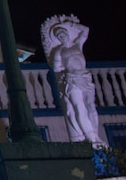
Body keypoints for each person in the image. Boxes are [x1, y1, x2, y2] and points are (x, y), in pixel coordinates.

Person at [41, 15, 101, 143]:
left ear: (67, 34)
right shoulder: (59, 52)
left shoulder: (77, 44)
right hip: (72, 80)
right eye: (59, 37)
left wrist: (71, 24)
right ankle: (90, 138)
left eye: (63, 34)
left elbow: (86, 30)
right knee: (79, 108)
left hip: (84, 77)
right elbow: (56, 68)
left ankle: (95, 135)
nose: (61, 37)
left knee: (91, 107)